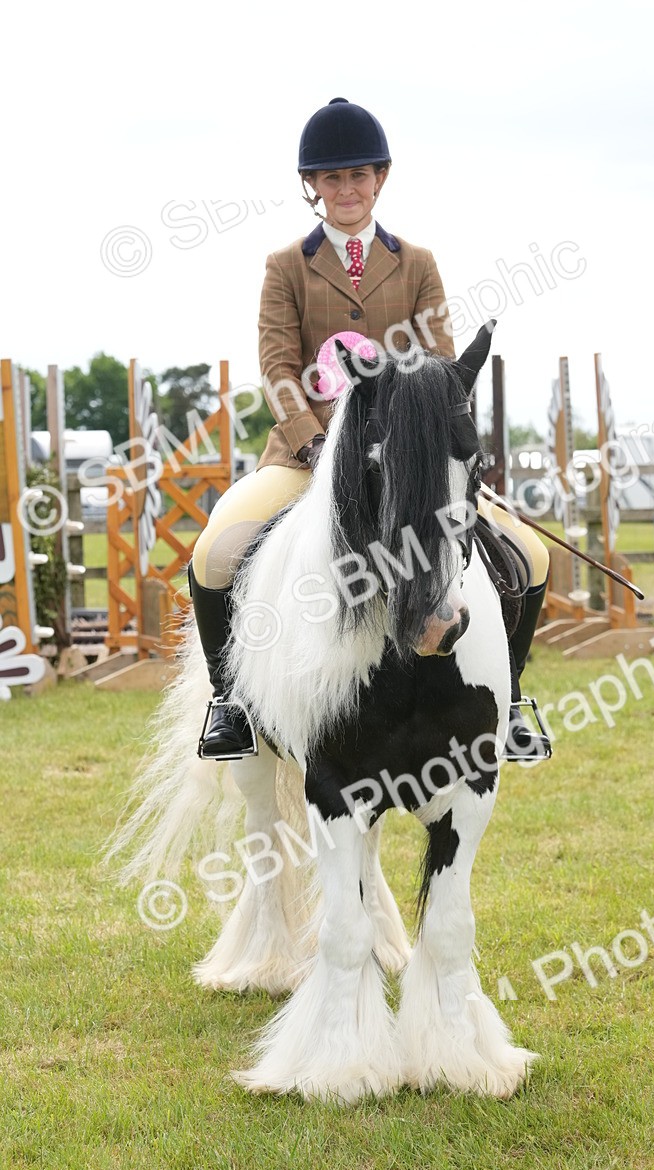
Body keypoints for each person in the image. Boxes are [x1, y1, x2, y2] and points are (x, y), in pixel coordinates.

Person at [189, 98, 549, 762]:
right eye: (332, 180)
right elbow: (276, 364)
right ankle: (230, 702)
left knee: (530, 556)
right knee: (213, 556)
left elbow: (441, 366)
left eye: (358, 176)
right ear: (312, 188)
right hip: (305, 454)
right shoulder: (285, 267)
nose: (346, 190)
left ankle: (516, 697)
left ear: (379, 179)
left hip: (406, 460)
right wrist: (318, 443)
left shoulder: (416, 263)